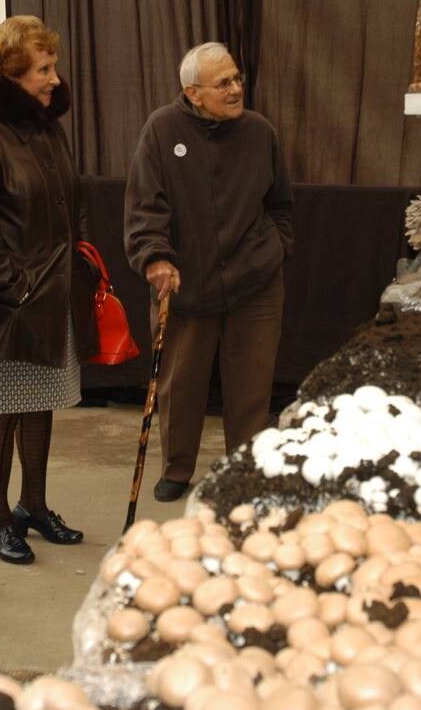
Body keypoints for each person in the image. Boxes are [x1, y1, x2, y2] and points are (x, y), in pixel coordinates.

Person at [123, 41, 294, 502]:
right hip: (186, 283)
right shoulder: (161, 130)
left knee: (252, 385)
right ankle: (178, 468)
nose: (237, 88)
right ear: (193, 93)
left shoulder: (260, 132)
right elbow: (144, 208)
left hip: (254, 281)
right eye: (224, 83)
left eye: (237, 78)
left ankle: (245, 470)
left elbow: (281, 204)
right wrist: (155, 257)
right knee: (179, 383)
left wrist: (276, 248)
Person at [0, 15, 99, 564]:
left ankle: (32, 506)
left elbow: (72, 199)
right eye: (43, 68)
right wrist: (12, 288)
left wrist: (80, 261)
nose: (54, 78)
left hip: (55, 293)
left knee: (43, 405)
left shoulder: (46, 126)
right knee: (1, 411)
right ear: (12, 74)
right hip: (12, 306)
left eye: (53, 65)